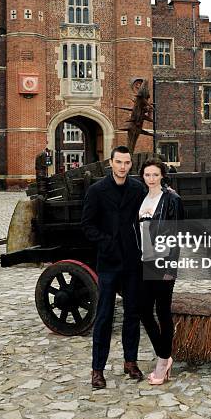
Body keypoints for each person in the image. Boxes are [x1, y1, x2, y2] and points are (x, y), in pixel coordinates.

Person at [81, 146, 146, 389]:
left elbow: (147, 218)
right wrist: (106, 243)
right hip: (108, 262)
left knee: (132, 313)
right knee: (104, 316)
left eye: (127, 163)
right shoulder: (97, 191)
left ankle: (131, 362)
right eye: (118, 162)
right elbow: (87, 225)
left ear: (130, 165)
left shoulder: (138, 189)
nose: (122, 167)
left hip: (132, 261)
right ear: (111, 162)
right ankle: (97, 370)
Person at [138, 158, 184, 385]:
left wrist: (170, 267)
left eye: (155, 175)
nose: (152, 179)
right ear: (143, 176)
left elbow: (177, 235)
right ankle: (164, 355)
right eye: (147, 175)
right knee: (144, 310)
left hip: (163, 263)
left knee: (162, 311)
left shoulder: (172, 200)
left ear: (162, 176)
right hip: (144, 262)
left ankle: (162, 362)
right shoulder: (142, 198)